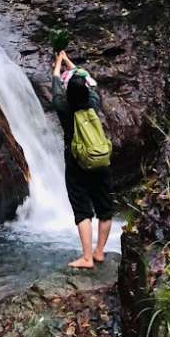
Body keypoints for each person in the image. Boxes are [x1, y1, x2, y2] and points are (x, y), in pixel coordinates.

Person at [52, 50, 113, 268]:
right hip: (100, 157)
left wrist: (59, 63)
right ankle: (99, 252)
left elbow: (56, 83)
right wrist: (71, 63)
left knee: (82, 208)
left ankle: (86, 257)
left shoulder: (64, 108)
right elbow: (89, 80)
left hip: (76, 161)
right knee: (105, 207)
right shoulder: (93, 102)